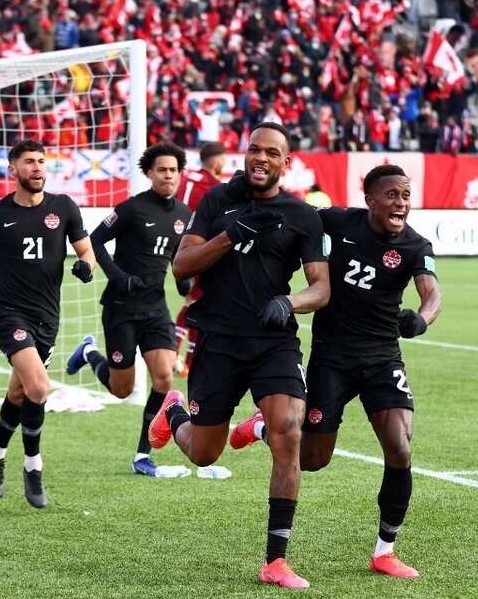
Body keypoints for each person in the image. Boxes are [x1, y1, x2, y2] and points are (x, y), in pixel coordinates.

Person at [230, 164, 441, 578]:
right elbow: (291, 210)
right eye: (392, 196)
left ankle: (385, 551)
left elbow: (431, 292)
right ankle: (262, 427)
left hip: (383, 358)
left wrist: (422, 318)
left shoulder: (416, 244)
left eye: (406, 195)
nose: (401, 203)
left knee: (400, 448)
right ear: (370, 200)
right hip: (332, 358)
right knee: (312, 459)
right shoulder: (338, 221)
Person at [148, 122, 330, 588]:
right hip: (217, 341)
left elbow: (321, 287)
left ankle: (276, 560)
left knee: (290, 432)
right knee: (205, 455)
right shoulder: (216, 203)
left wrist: (288, 302)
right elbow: (181, 269)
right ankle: (175, 412)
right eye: (253, 150)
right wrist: (228, 235)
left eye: (272, 152)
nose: (260, 158)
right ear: (244, 155)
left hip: (273, 340)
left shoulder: (303, 216)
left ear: (286, 164)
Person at [0, 138, 96, 509]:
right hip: (8, 315)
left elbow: (86, 249)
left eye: (42, 161)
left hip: (47, 319)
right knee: (38, 387)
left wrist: (86, 265)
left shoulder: (63, 207)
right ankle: (33, 467)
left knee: (19, 393)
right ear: (12, 169)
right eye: (29, 162)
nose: (37, 168)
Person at [63, 141, 193, 477]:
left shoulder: (183, 215)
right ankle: (90, 352)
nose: (168, 176)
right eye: (162, 170)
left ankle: (141, 455)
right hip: (121, 309)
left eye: (173, 170)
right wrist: (119, 277)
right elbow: (93, 240)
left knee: (164, 378)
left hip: (155, 310)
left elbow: (179, 255)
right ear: (149, 173)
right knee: (122, 389)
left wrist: (183, 282)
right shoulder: (132, 208)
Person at [171, 142, 228, 379]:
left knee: (192, 300)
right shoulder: (214, 187)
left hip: (176, 243)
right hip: (197, 247)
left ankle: (179, 357)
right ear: (215, 163)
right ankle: (180, 358)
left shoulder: (184, 177)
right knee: (196, 303)